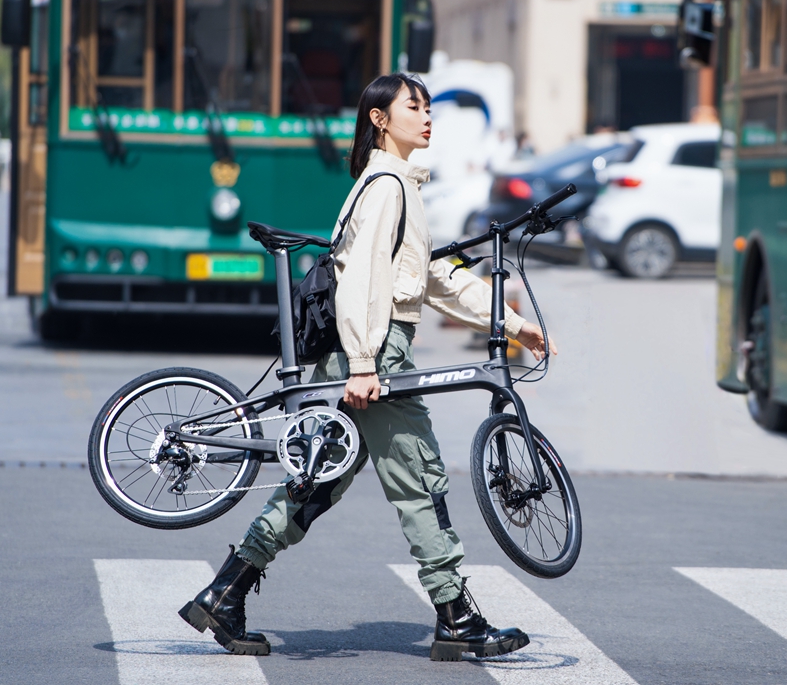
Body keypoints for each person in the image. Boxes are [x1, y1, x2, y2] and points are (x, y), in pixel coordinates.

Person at [180, 73, 557, 661]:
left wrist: (509, 321)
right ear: (380, 119)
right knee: (420, 479)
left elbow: (430, 276)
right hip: (378, 352)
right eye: (415, 107)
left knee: (320, 479)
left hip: (374, 350)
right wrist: (362, 363)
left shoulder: (397, 184)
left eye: (430, 107)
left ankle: (225, 591)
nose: (428, 116)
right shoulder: (386, 185)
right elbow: (359, 282)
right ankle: (455, 616)